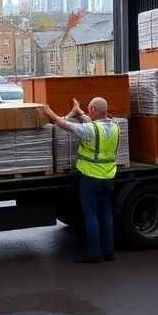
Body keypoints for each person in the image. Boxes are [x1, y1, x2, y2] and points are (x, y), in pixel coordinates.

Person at [45, 97, 120, 264]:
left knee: (91, 215)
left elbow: (67, 125)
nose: (88, 111)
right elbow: (92, 122)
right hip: (109, 177)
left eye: (89, 109)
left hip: (91, 178)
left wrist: (51, 114)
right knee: (106, 214)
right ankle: (109, 251)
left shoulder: (90, 130)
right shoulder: (115, 126)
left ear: (93, 110)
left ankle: (94, 253)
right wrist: (79, 111)